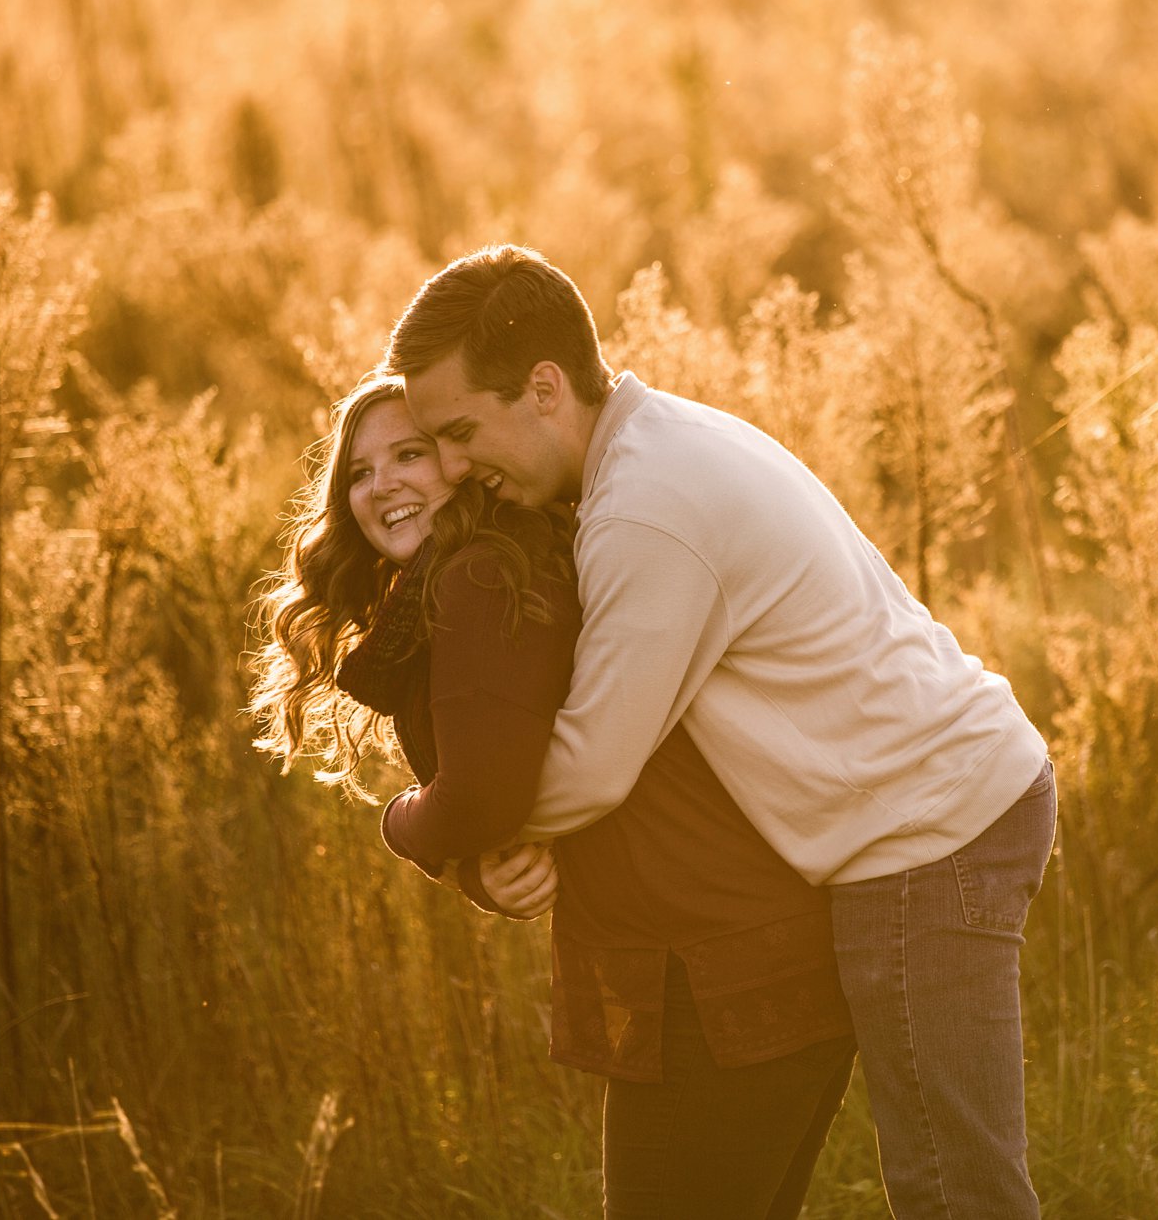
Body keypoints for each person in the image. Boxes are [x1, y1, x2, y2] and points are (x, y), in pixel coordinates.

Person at [383, 246, 1058, 1220]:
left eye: (458, 431)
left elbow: (589, 769)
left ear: (541, 388)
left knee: (955, 1191)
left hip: (931, 833)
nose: (450, 468)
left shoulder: (645, 511)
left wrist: (432, 826)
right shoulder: (657, 444)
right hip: (931, 808)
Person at [250, 377, 857, 1220]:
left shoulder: (481, 575)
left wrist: (405, 826)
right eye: (359, 470)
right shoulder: (499, 566)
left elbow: (483, 798)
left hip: (712, 975)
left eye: (411, 454)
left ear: (463, 466)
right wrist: (481, 867)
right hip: (745, 955)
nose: (380, 484)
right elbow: (508, 787)